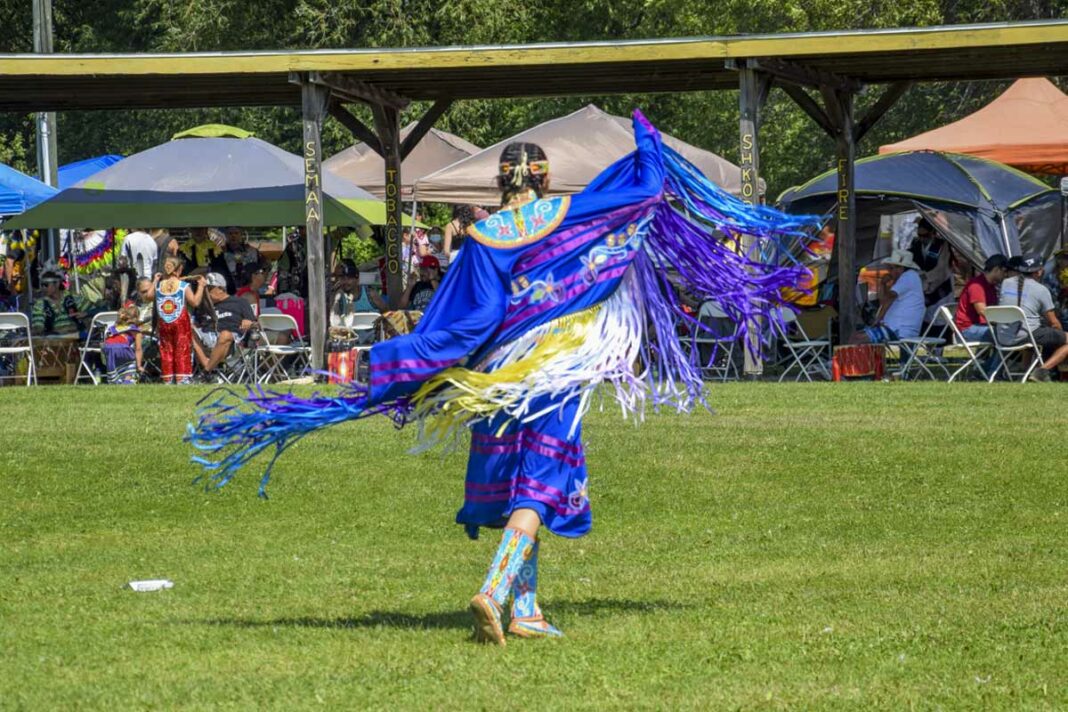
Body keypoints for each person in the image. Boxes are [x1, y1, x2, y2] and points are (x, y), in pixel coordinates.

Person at [188, 110, 817, 646]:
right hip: (552, 373)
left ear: (498, 182)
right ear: (544, 179)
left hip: (494, 381)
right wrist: (647, 141)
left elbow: (467, 323)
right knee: (540, 488)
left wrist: (404, 359)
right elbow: (644, 193)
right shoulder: (572, 212)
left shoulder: (483, 237)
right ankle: (494, 589)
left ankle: (527, 608)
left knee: (523, 481)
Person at [998, 254, 1068, 381]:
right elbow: (1054, 322)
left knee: (1034, 330)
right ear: (1039, 271)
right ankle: (1042, 371)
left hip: (1003, 335)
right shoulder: (1041, 290)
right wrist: (1061, 335)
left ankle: (1024, 369)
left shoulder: (1006, 283)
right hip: (1024, 336)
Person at [850, 249, 925, 344]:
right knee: (857, 336)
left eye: (896, 268)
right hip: (894, 328)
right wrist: (882, 284)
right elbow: (883, 301)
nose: (892, 271)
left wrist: (877, 320)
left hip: (899, 330)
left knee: (857, 339)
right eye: (891, 268)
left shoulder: (909, 276)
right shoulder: (905, 278)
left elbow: (887, 299)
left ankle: (846, 359)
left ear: (904, 268)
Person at [192, 272, 256, 378]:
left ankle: (206, 372)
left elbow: (254, 324)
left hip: (232, 344)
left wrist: (248, 322)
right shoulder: (204, 306)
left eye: (209, 289)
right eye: (205, 289)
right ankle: (207, 365)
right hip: (207, 340)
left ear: (220, 288)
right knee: (187, 330)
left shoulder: (240, 302)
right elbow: (197, 325)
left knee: (225, 335)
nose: (206, 292)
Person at [154, 256, 205, 384]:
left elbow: (148, 296)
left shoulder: (159, 286)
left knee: (166, 349)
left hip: (164, 322)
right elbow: (194, 302)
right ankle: (182, 379)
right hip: (180, 322)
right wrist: (201, 287)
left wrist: (155, 280)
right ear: (180, 269)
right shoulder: (183, 286)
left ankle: (168, 378)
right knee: (181, 349)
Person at [954, 254, 1007, 341]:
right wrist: (1001, 321)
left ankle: (993, 355)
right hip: (967, 329)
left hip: (980, 326)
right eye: (1004, 271)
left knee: (1008, 334)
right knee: (1005, 335)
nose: (1005, 275)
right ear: (996, 269)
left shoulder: (991, 286)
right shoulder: (977, 285)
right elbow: (982, 311)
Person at [331, 260, 386, 334]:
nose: (345, 282)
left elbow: (387, 314)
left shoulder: (370, 295)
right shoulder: (338, 298)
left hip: (374, 341)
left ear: (357, 279)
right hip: (349, 341)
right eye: (341, 278)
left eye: (349, 278)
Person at [30, 271, 84, 336]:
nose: (43, 288)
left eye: (46, 285)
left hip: (78, 339)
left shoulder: (74, 299)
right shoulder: (40, 304)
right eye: (42, 285)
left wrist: (87, 315)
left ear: (57, 284)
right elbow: (38, 325)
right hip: (53, 341)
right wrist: (37, 329)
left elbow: (93, 315)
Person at [101, 305, 144, 384]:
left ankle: (117, 381)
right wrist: (139, 366)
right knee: (131, 361)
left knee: (115, 367)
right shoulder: (136, 331)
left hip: (107, 348)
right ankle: (128, 380)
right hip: (121, 347)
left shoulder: (115, 326)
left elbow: (108, 337)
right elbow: (138, 349)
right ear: (137, 318)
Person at [222, 227, 261, 293]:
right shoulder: (220, 252)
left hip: (249, 288)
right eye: (230, 233)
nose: (233, 236)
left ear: (241, 235)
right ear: (226, 235)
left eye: (236, 233)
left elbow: (264, 267)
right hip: (228, 287)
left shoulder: (252, 251)